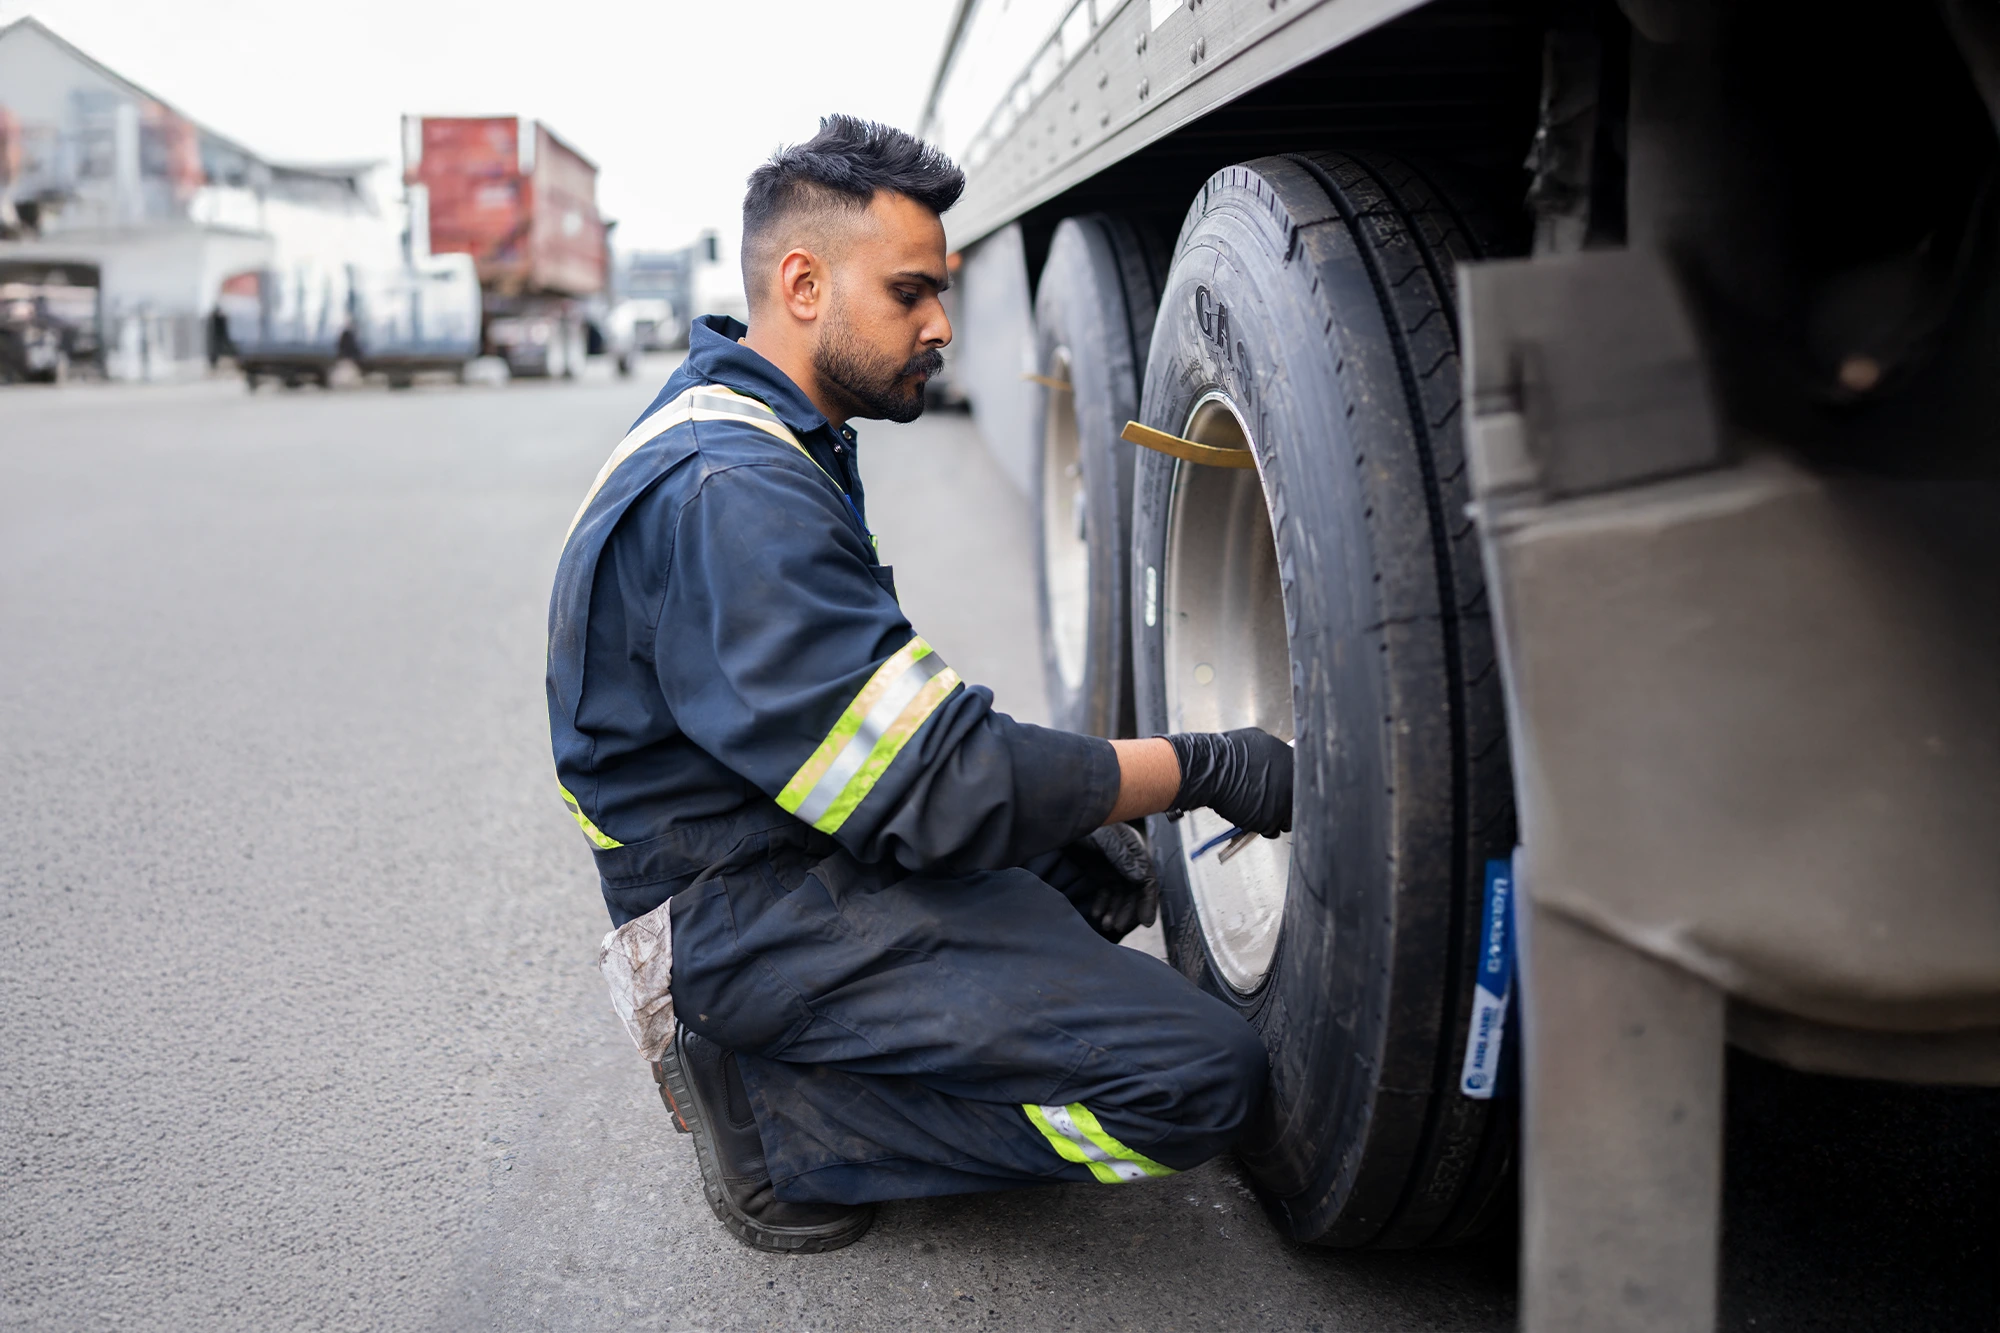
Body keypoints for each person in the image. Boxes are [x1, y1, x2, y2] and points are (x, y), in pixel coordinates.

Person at [546, 115, 1293, 1254]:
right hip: (744, 912)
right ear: (802, 283)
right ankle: (784, 1123)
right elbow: (938, 782)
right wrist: (1200, 767)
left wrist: (1055, 813)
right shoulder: (728, 493)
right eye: (910, 294)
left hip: (772, 843)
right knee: (1197, 1081)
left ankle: (834, 1047)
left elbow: (882, 730)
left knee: (1072, 862)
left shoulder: (755, 426)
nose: (942, 325)